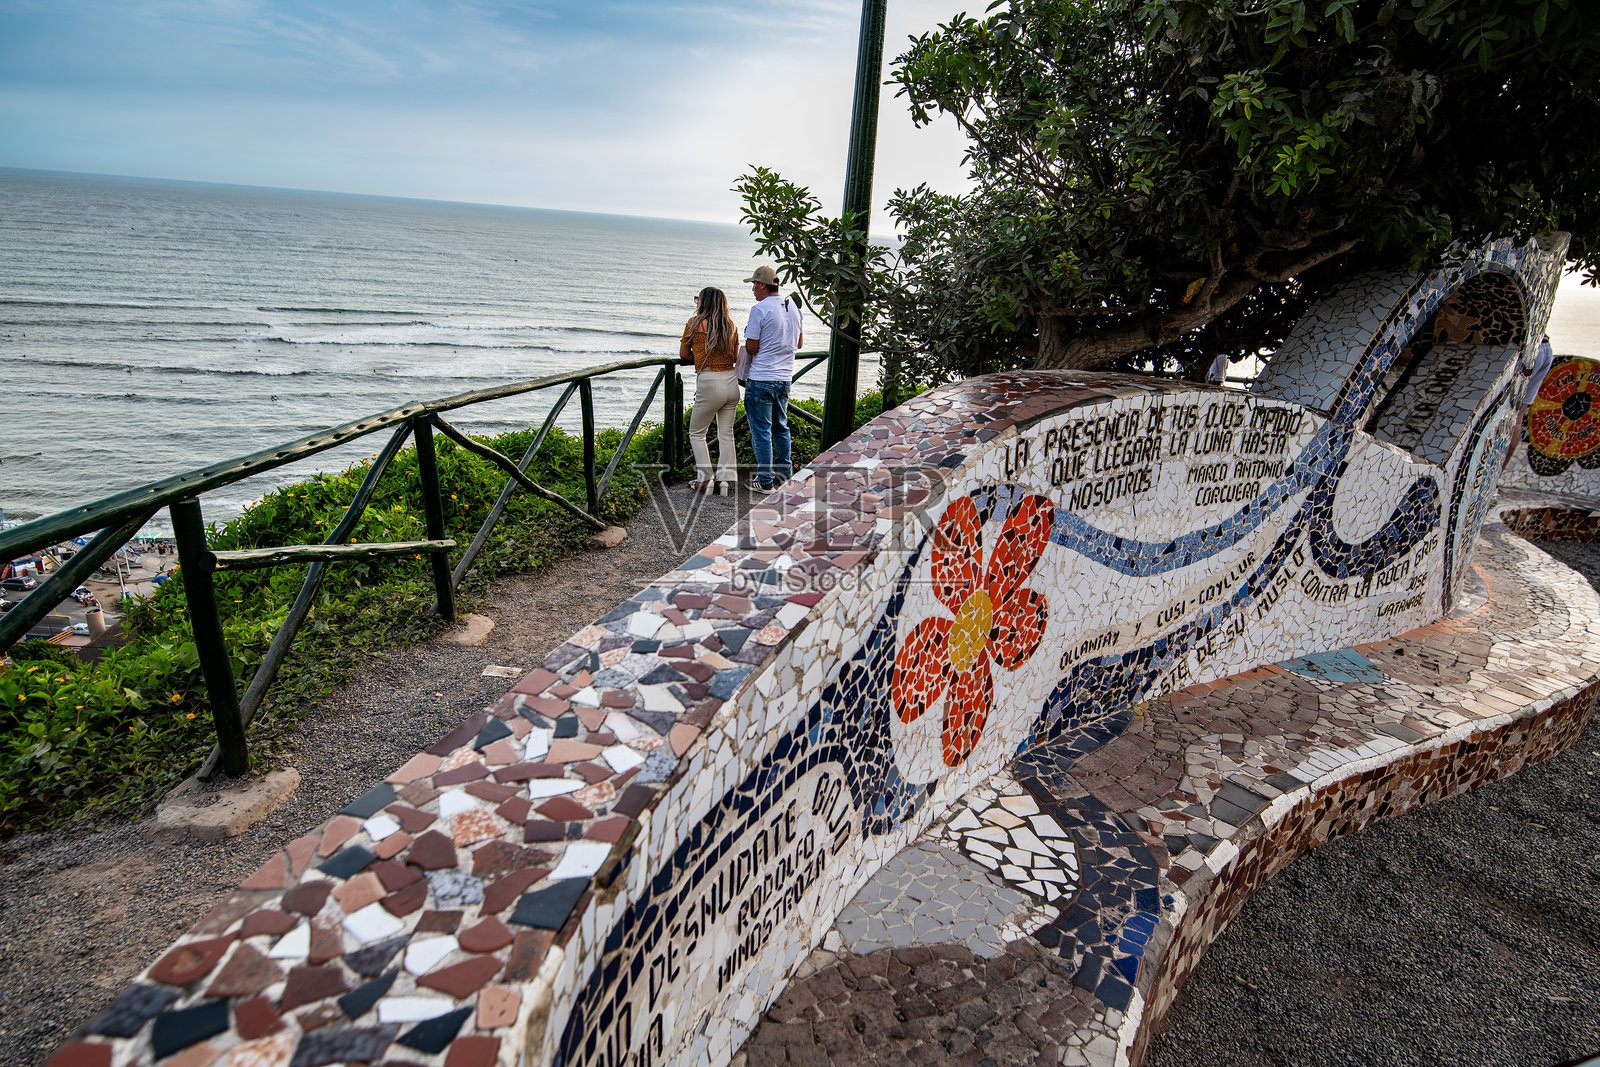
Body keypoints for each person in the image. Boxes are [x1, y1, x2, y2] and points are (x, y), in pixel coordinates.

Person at [741, 265, 803, 491]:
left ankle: (765, 481)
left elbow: (751, 348)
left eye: (754, 285)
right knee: (781, 427)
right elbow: (799, 343)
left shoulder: (759, 309)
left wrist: (750, 332)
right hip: (785, 378)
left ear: (762, 285)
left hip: (761, 378)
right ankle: (786, 475)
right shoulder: (794, 307)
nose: (753, 290)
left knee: (761, 431)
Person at [680, 287, 741, 494]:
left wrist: (698, 354)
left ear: (703, 302)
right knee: (726, 433)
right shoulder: (731, 326)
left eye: (698, 299)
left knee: (697, 433)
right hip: (731, 383)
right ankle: (724, 480)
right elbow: (735, 355)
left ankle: (705, 479)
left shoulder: (694, 324)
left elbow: (684, 355)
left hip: (709, 382)